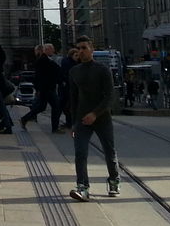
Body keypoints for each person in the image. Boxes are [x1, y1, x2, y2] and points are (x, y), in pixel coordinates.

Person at [67, 35, 120, 201]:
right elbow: (73, 98)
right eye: (78, 48)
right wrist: (73, 123)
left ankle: (114, 180)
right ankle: (82, 187)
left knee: (109, 152)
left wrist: (95, 114)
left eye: (84, 47)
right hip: (82, 119)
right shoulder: (74, 71)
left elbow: (110, 96)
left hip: (102, 118)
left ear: (92, 49)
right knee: (80, 153)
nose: (81, 51)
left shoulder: (103, 70)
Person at [19, 44, 61, 132]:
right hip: (47, 88)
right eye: (52, 49)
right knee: (56, 106)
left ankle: (24, 119)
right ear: (47, 50)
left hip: (46, 88)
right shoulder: (43, 60)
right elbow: (41, 76)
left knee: (41, 107)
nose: (53, 51)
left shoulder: (46, 59)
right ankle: (55, 128)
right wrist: (39, 88)